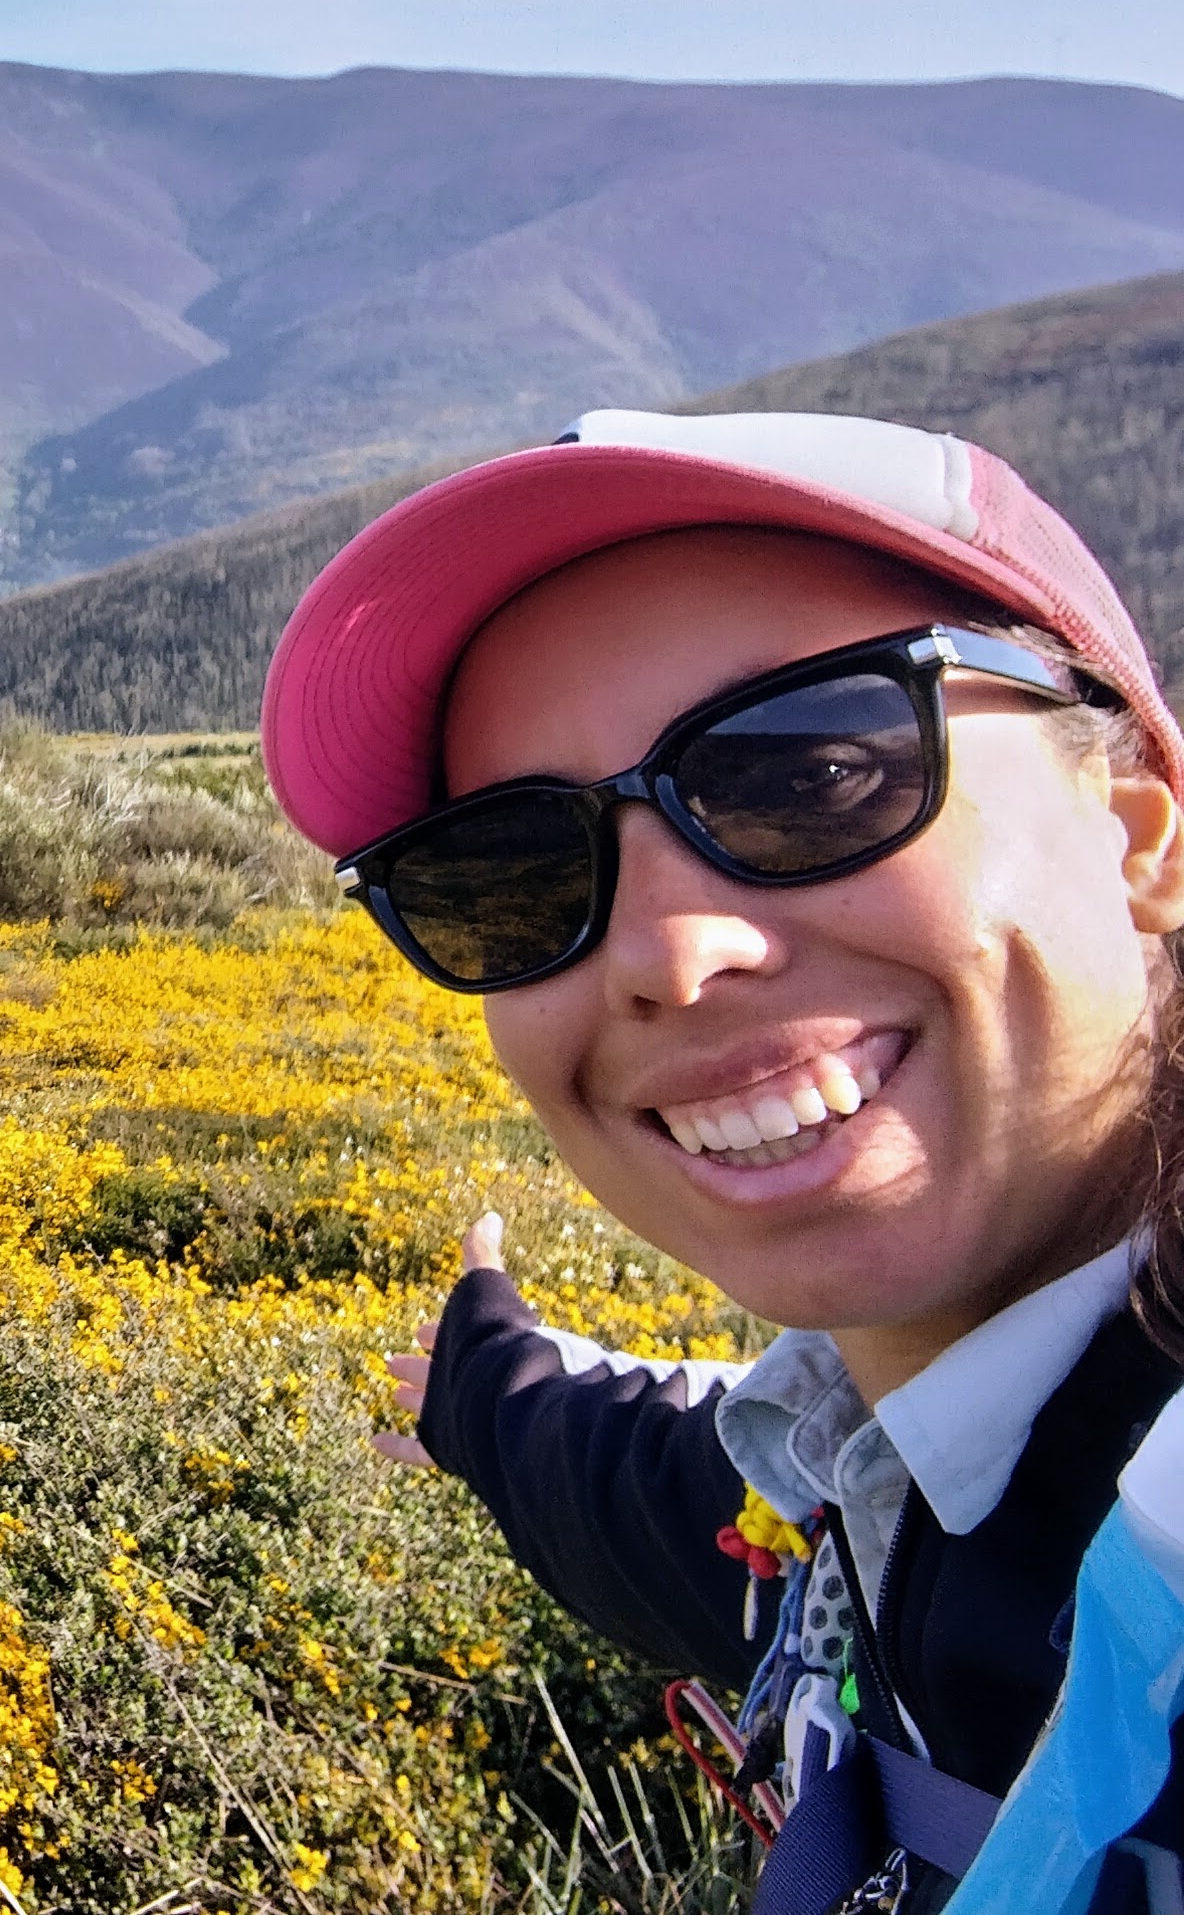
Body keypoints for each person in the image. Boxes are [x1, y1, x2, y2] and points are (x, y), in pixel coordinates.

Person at [257, 408, 1184, 1915]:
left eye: (814, 772)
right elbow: (661, 1496)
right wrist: (478, 1387)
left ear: (1142, 831)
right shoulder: (857, 1471)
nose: (671, 954)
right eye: (512, 873)